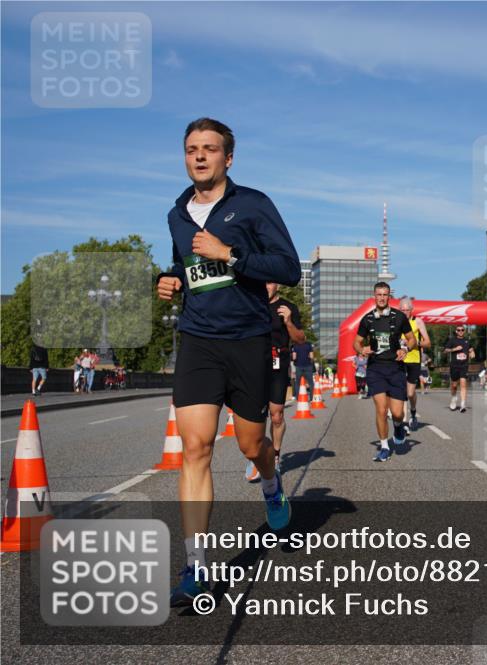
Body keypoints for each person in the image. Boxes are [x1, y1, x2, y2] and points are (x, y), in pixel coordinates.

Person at [156, 117, 300, 605]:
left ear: (228, 158)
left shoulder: (253, 205)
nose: (199, 156)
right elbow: (187, 264)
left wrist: (231, 254)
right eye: (192, 149)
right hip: (198, 340)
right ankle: (195, 566)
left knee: (250, 444)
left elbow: (288, 269)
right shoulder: (176, 214)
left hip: (247, 340)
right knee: (194, 448)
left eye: (210, 149)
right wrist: (171, 278)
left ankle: (272, 485)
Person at [246, 282, 306, 482]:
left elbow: (300, 339)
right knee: (256, 413)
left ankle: (276, 455)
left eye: (270, 282)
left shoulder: (288, 307)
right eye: (262, 282)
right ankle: (258, 452)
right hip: (254, 362)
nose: (266, 286)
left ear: (277, 285)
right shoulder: (251, 304)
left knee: (277, 414)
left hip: (278, 362)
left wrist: (288, 321)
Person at [354, 282, 416, 462]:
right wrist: (361, 350)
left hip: (395, 368)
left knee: (397, 413)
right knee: (381, 409)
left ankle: (398, 425)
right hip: (375, 369)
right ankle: (384, 446)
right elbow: (356, 342)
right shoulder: (367, 319)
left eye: (385, 294)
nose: (382, 297)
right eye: (379, 294)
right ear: (374, 295)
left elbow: (411, 339)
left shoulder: (399, 317)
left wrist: (405, 349)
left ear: (390, 296)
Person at [397, 296, 431, 431]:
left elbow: (428, 343)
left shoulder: (418, 322)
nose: (405, 312)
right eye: (402, 310)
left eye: (407, 310)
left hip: (414, 360)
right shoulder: (395, 322)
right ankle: (404, 422)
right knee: (401, 391)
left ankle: (413, 411)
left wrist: (413, 342)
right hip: (399, 360)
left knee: (410, 393)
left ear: (412, 310)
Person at [444, 325, 474, 412]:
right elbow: (445, 350)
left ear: (464, 331)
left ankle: (463, 404)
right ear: (456, 331)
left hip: (464, 365)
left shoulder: (467, 340)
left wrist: (472, 352)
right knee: (454, 385)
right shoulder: (452, 340)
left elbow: (471, 348)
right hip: (454, 366)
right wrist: (454, 349)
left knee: (463, 384)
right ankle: (453, 398)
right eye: (459, 330)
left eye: (462, 330)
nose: (460, 331)